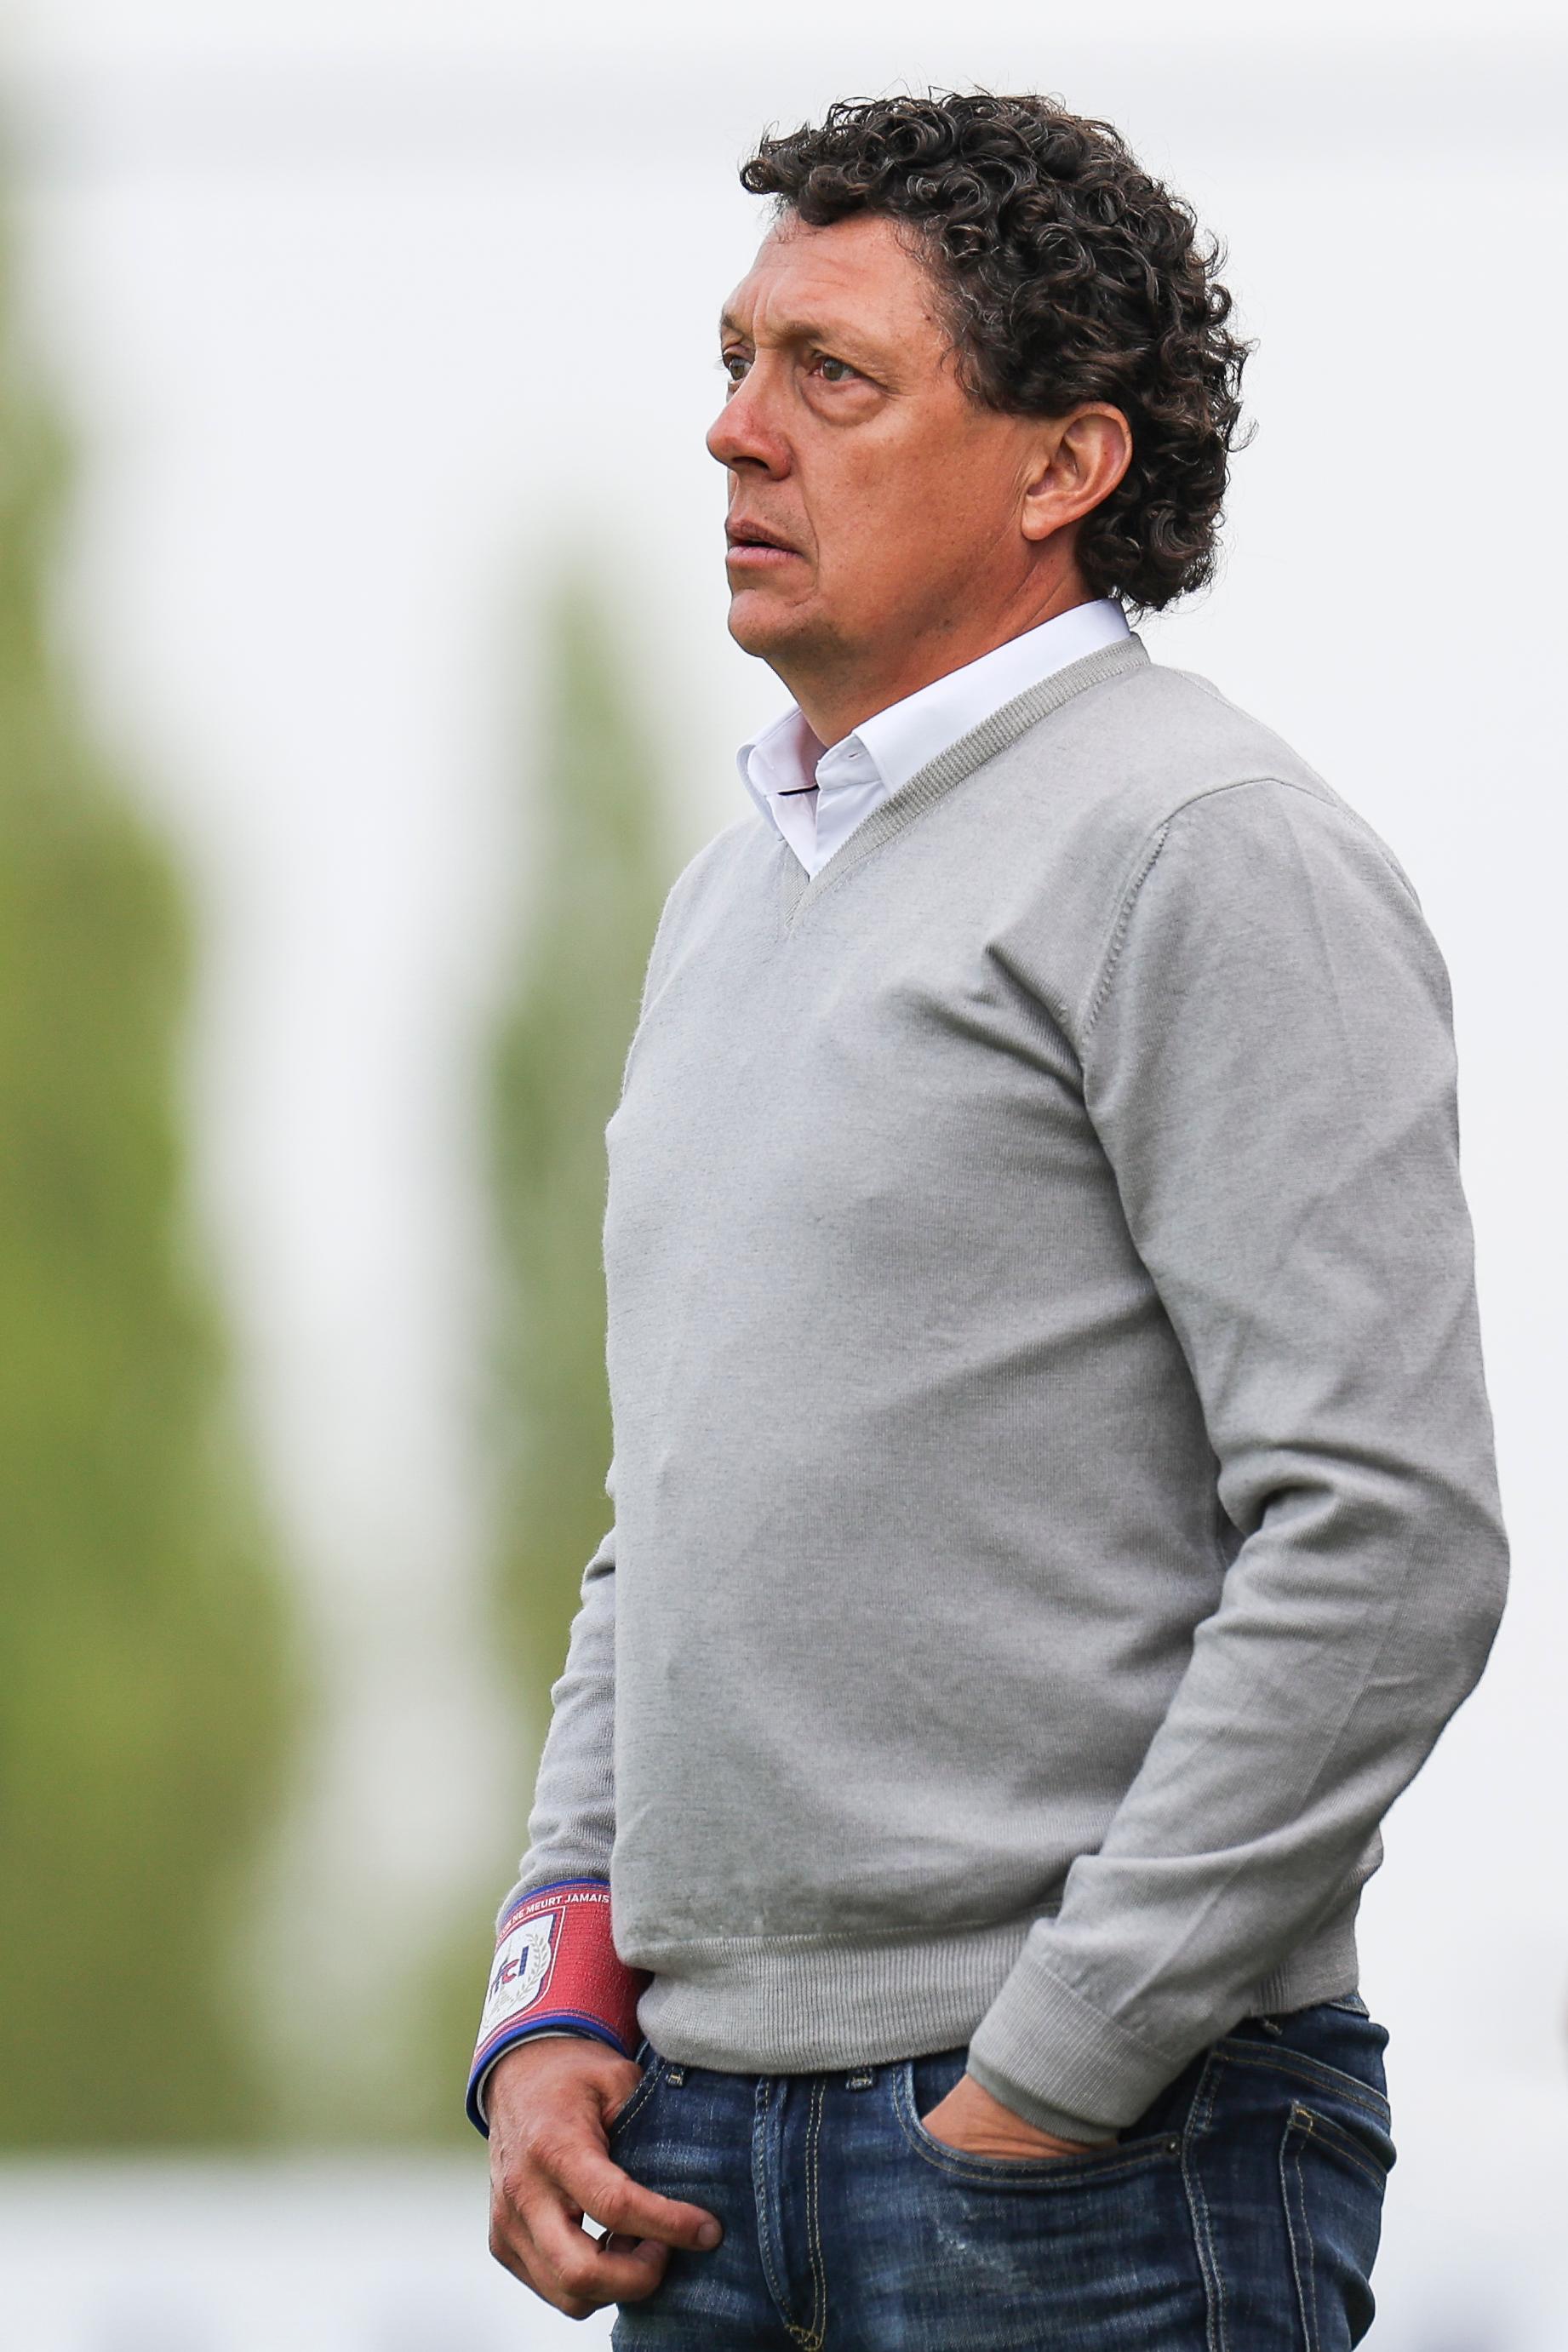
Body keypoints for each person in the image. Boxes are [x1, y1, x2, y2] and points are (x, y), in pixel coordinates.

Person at [471, 91, 1508, 2349]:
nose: (737, 434)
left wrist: (1048, 2068)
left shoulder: (1205, 849)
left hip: (1088, 2162)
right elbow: (670, 1515)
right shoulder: (736, 896)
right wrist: (559, 1983)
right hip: (702, 2150)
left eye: (829, 376)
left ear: (1064, 467)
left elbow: (1387, 1533)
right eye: (734, 362)